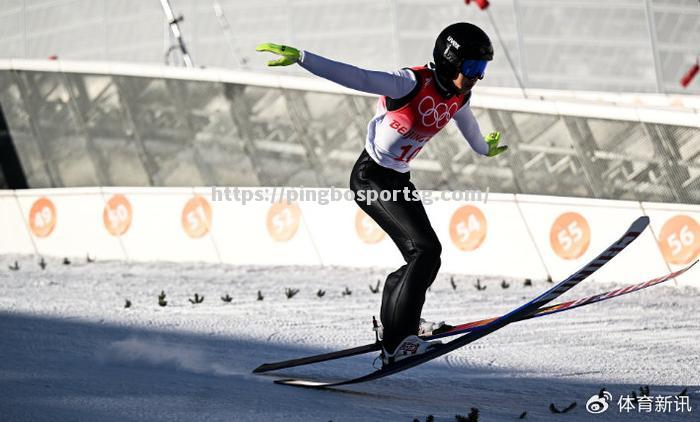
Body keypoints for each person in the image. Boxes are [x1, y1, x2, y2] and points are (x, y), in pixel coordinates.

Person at [256, 22, 507, 366]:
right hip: (371, 177)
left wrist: (484, 149)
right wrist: (302, 58)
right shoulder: (409, 83)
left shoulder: (459, 94)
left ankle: (397, 324)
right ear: (450, 61)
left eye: (483, 69)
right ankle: (398, 339)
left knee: (425, 258)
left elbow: (470, 128)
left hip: (399, 180)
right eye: (473, 68)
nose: (478, 76)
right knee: (425, 251)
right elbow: (356, 76)